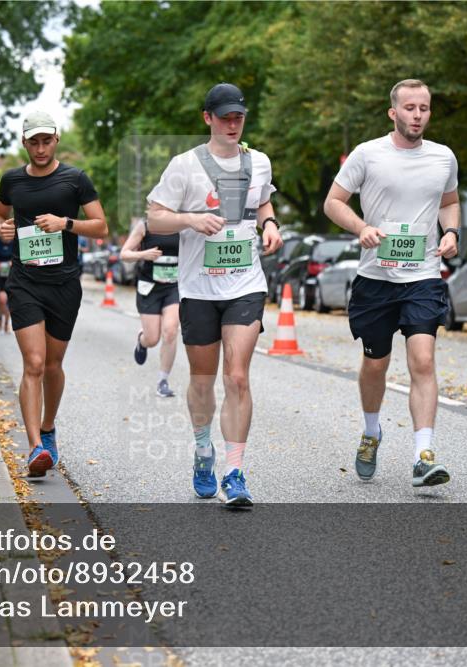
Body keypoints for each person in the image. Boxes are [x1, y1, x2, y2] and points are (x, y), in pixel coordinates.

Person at [146, 83, 282, 506]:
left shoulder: (259, 162)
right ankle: (203, 448)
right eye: (224, 117)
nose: (232, 124)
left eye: (238, 117)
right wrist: (190, 219)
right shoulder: (184, 166)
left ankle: (235, 472)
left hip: (246, 284)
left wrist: (270, 224)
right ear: (207, 118)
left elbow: (263, 202)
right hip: (199, 289)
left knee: (237, 376)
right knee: (202, 380)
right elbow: (154, 218)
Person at [322, 78, 460, 488]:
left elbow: (450, 203)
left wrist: (452, 232)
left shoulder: (443, 157)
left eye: (424, 108)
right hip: (376, 280)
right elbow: (333, 202)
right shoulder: (368, 154)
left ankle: (423, 455)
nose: (418, 115)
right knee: (375, 363)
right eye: (410, 108)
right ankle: (371, 432)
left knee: (423, 360)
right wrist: (361, 227)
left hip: (423, 276)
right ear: (393, 112)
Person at [0, 110, 108, 477]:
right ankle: (34, 448)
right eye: (33, 142)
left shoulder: (75, 179)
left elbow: (101, 227)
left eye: (46, 141)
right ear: (24, 143)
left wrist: (65, 223)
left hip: (64, 285)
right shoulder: (12, 180)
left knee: (53, 366)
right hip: (24, 282)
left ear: (56, 139)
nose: (40, 148)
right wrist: (1, 228)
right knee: (34, 363)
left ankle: (48, 427)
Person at [120, 220, 180, 398]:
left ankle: (163, 381)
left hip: (174, 286)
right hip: (150, 288)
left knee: (170, 331)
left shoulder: (183, 225)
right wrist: (143, 254)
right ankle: (142, 341)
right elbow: (124, 254)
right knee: (152, 338)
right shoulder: (145, 226)